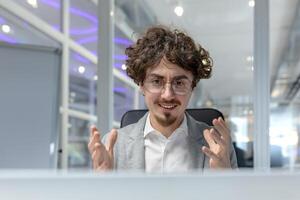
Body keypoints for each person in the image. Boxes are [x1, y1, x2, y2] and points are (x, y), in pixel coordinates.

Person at [88, 25, 237, 172]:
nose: (168, 95)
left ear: (193, 86)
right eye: (156, 82)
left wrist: (224, 178)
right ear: (141, 84)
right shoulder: (113, 146)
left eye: (179, 83)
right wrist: (101, 184)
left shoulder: (218, 145)